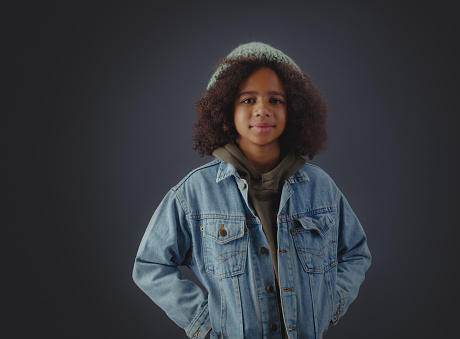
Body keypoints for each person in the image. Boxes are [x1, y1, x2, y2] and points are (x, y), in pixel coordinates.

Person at [132, 42, 371, 339]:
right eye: (247, 100)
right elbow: (150, 265)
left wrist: (330, 304)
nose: (262, 110)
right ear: (225, 109)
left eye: (276, 100)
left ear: (294, 109)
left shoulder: (321, 188)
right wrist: (204, 323)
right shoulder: (195, 192)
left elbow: (356, 252)